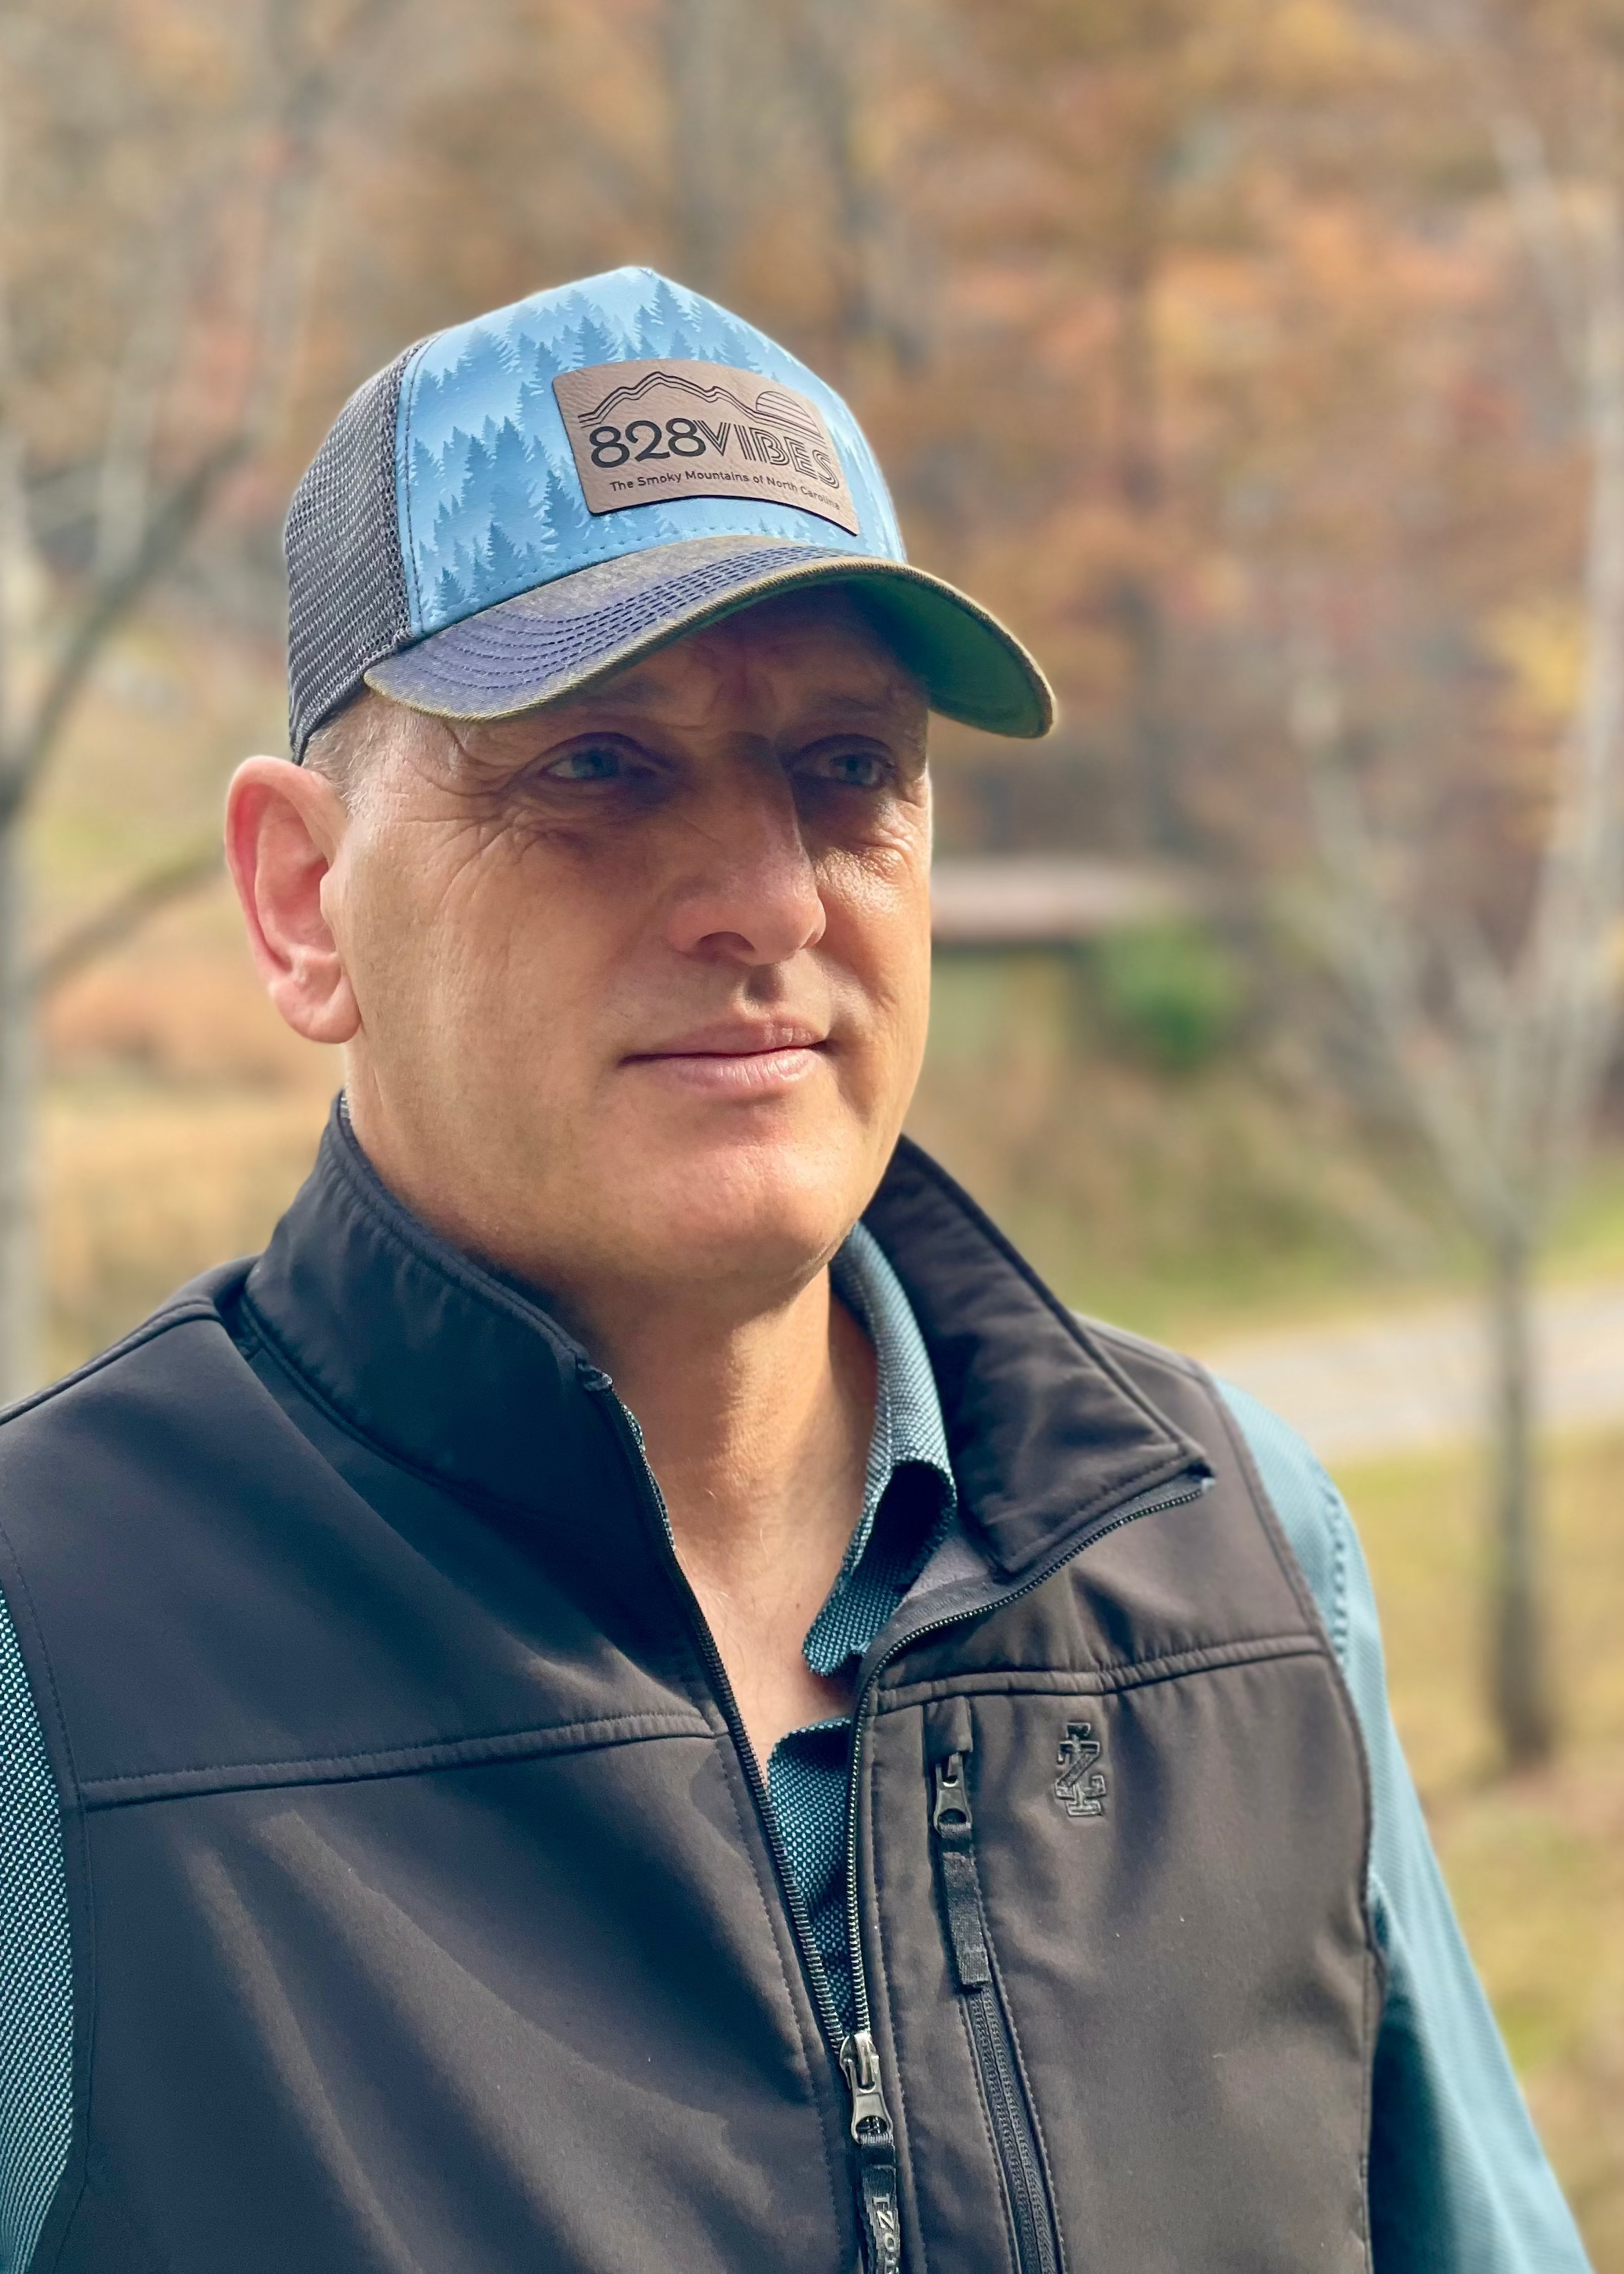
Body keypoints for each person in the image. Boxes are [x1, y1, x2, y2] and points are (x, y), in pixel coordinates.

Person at [0, 267, 1591, 2274]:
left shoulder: (1240, 1562)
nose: (762, 897)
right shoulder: (50, 1649)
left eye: (847, 767)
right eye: (596, 765)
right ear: (303, 897)